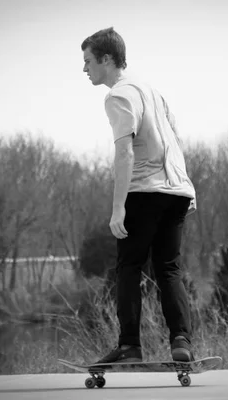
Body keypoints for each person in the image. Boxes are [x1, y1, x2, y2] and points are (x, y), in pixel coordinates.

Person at [81, 27, 197, 363]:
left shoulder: (118, 96)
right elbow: (174, 139)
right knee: (169, 269)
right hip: (176, 191)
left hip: (145, 192)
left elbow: (125, 154)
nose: (85, 69)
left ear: (106, 59)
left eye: (88, 61)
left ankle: (130, 345)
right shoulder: (154, 92)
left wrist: (118, 208)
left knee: (129, 266)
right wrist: (187, 186)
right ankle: (181, 342)